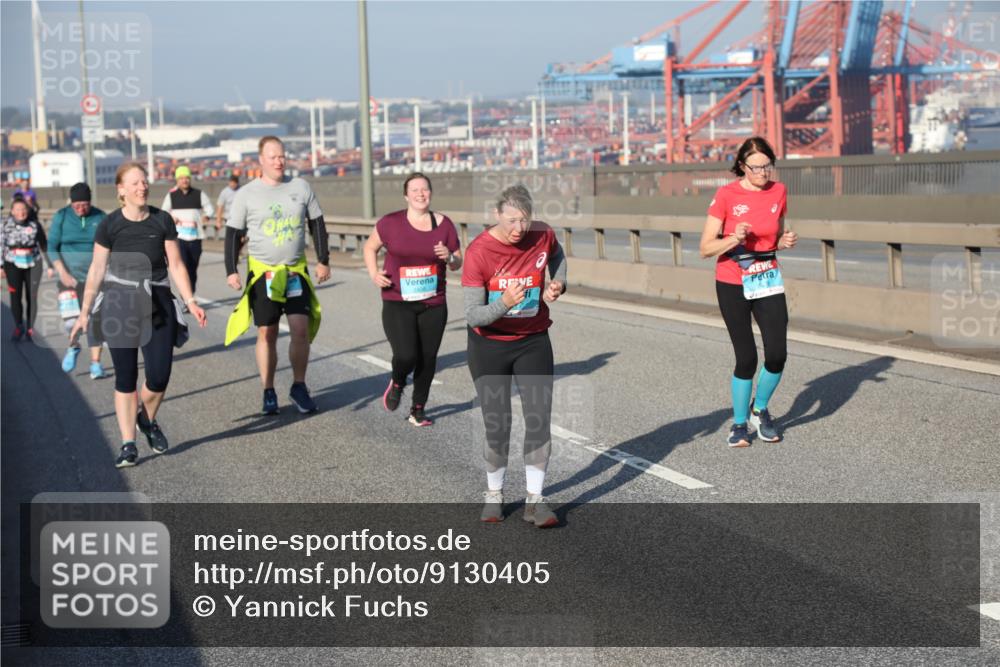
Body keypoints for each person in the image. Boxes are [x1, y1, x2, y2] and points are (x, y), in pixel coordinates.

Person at [70, 162, 207, 468]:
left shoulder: (162, 220)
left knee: (159, 375)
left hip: (158, 300)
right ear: (121, 190)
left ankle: (146, 420)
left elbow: (176, 264)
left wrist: (190, 300)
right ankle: (128, 443)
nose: (142, 187)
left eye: (144, 182)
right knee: (126, 376)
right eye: (135, 183)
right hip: (119, 302)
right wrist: (84, 312)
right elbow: (97, 269)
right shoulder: (110, 225)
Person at [462, 185, 566, 528]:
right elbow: (473, 316)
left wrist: (558, 283)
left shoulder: (542, 234)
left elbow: (558, 256)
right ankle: (494, 493)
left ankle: (536, 501)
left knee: (538, 419)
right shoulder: (479, 252)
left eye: (524, 220)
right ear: (496, 215)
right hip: (489, 345)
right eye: (511, 221)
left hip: (533, 341)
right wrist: (504, 303)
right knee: (498, 424)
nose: (519, 228)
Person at [698, 136, 798, 448]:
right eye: (755, 167)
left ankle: (760, 409)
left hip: (767, 279)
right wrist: (733, 237)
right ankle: (739, 424)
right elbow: (705, 248)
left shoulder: (779, 191)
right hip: (732, 282)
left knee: (777, 354)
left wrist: (783, 242)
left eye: (767, 166)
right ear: (742, 166)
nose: (762, 173)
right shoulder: (726, 195)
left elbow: (774, 235)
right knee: (747, 358)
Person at [224, 136, 331, 415]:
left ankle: (299, 386)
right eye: (272, 157)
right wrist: (231, 270)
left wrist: (323, 260)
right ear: (261, 160)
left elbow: (317, 224)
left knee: (300, 329)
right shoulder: (247, 194)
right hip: (264, 273)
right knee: (267, 332)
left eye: (282, 156)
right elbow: (233, 233)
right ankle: (268, 389)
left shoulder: (300, 187)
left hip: (295, 271)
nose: (279, 161)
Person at [363, 173, 462, 426]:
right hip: (397, 300)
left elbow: (457, 262)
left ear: (431, 193)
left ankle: (418, 409)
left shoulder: (444, 225)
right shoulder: (390, 223)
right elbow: (370, 247)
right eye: (415, 190)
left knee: (428, 358)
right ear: (406, 195)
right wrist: (374, 274)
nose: (420, 194)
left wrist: (449, 256)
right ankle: (397, 381)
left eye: (424, 189)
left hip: (434, 302)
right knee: (407, 355)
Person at [49, 182, 108, 378]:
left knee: (95, 321)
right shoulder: (62, 216)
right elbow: (52, 247)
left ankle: (95, 364)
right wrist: (62, 272)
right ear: (71, 203)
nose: (81, 209)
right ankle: (74, 346)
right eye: (77, 206)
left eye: (85, 205)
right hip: (68, 278)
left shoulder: (100, 217)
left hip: (95, 279)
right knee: (71, 320)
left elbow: (110, 246)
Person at [2, 198, 53, 342]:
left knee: (32, 296)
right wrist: (0, 266)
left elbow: (44, 245)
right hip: (12, 263)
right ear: (12, 211)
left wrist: (50, 265)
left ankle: (30, 327)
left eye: (24, 209)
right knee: (15, 295)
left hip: (33, 262)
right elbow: (1, 245)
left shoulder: (34, 225)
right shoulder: (5, 225)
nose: (21, 212)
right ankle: (19, 326)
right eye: (18, 209)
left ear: (28, 210)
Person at [161, 165, 214, 293]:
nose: (184, 181)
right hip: (179, 238)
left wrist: (206, 216)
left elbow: (210, 208)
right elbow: (163, 212)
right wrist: (171, 218)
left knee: (192, 268)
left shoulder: (199, 194)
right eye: (181, 178)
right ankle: (185, 295)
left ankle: (191, 292)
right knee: (183, 266)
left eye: (187, 178)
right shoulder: (171, 195)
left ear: (190, 179)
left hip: (196, 237)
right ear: (177, 180)